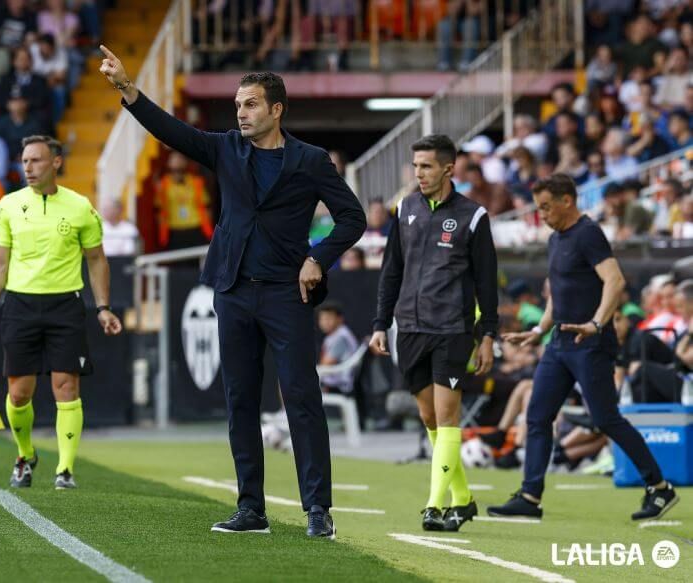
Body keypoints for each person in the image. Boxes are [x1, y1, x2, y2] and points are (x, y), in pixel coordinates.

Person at [99, 45, 366, 538]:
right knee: (240, 399)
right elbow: (171, 131)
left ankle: (317, 511)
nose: (240, 112)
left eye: (250, 104)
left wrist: (317, 258)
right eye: (239, 104)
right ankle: (251, 510)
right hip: (233, 290)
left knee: (301, 398)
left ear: (276, 109)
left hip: (288, 295)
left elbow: (354, 218)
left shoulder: (310, 160)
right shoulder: (225, 147)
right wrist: (127, 89)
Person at [488, 173, 679, 521]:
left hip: (589, 343)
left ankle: (660, 488)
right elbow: (557, 294)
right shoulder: (555, 239)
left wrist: (596, 324)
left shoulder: (588, 233)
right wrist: (538, 330)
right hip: (559, 342)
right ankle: (530, 497)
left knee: (606, 419)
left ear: (567, 201)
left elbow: (615, 280)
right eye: (538, 208)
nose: (542, 214)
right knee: (537, 416)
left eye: (546, 206)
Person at [0, 135, 122, 491]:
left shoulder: (81, 207)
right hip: (20, 306)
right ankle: (25, 456)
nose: (28, 168)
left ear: (56, 163)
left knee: (66, 387)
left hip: (65, 305)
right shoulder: (8, 205)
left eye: (36, 160)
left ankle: (65, 470)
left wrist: (102, 308)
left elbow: (97, 259)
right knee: (19, 393)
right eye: (24, 161)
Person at [368, 134, 498, 533]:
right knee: (428, 416)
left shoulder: (473, 216)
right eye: (416, 166)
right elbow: (392, 270)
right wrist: (379, 323)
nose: (418, 173)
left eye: (425, 166)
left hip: (453, 329)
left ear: (448, 168)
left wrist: (489, 334)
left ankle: (434, 505)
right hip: (408, 327)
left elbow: (486, 280)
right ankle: (463, 499)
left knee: (447, 415)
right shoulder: (404, 209)